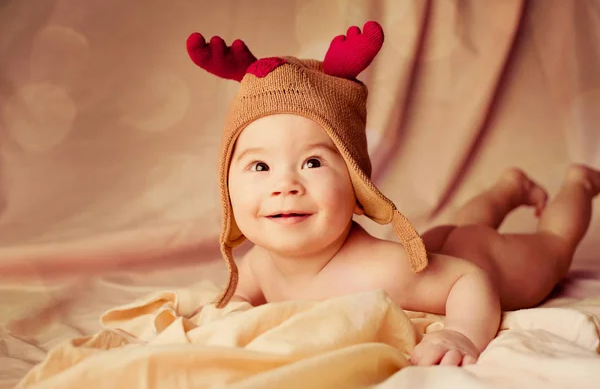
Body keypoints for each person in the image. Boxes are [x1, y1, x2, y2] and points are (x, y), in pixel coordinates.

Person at [186, 21, 600, 367]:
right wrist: (230, 310)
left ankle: (579, 182)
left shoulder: (378, 271)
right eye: (260, 167)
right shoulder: (260, 263)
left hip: (489, 268)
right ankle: (509, 188)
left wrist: (462, 333)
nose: (284, 185)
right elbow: (240, 294)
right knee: (460, 230)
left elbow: (467, 279)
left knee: (551, 246)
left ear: (356, 183)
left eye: (312, 163)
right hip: (434, 254)